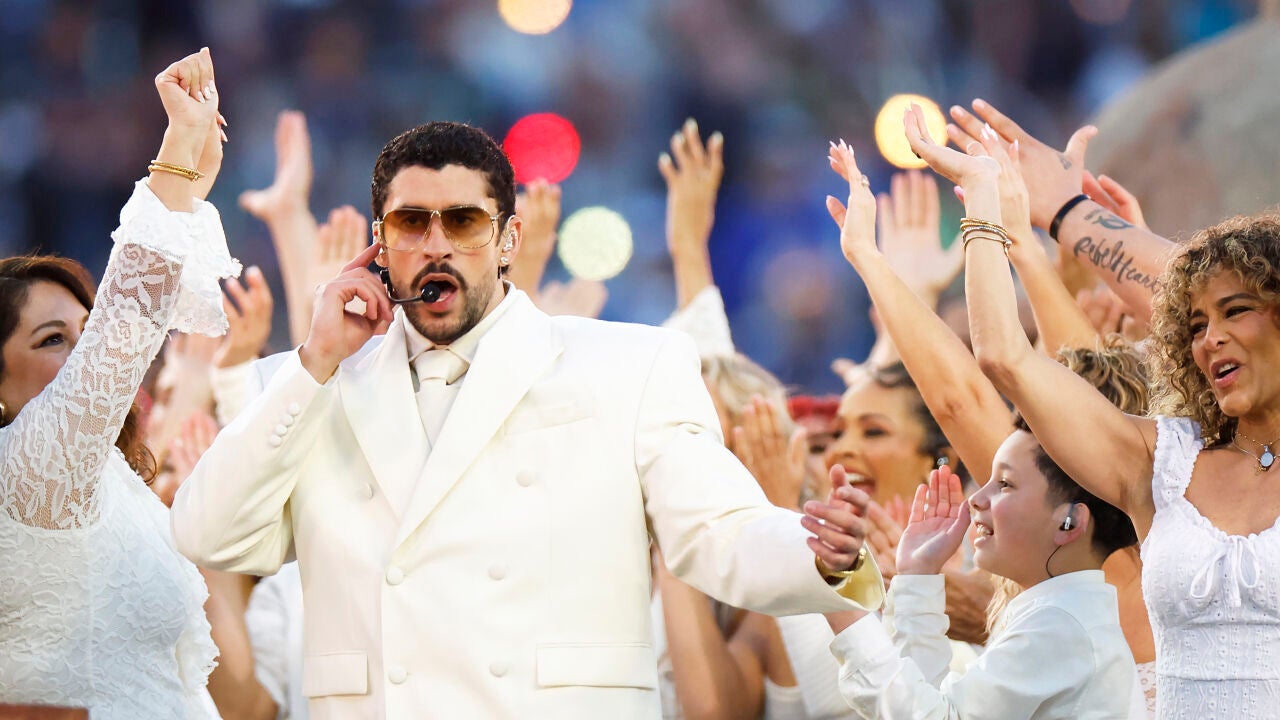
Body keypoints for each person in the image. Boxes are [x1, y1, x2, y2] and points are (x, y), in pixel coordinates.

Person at [172, 120, 885, 719]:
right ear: (379, 243)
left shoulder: (631, 365)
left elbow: (717, 531)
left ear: (509, 240)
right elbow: (206, 533)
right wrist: (317, 359)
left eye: (464, 222)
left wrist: (818, 553)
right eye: (412, 222)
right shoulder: (308, 383)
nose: (437, 244)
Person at [908, 103, 1280, 718]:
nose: (1210, 339)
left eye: (1236, 312)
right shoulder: (1161, 460)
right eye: (1194, 326)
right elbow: (1004, 358)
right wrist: (984, 203)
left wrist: (1071, 212)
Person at [0, 48, 236, 718]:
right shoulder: (24, 473)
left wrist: (187, 193)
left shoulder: (112, 482)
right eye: (53, 340)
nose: (84, 354)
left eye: (86, 331)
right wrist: (177, 150)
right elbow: (125, 326)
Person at [826, 458, 1136, 719]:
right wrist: (918, 575)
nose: (976, 498)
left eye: (1005, 484)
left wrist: (840, 603)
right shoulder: (1060, 615)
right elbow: (933, 701)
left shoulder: (1060, 627)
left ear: (1069, 522)